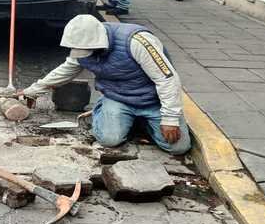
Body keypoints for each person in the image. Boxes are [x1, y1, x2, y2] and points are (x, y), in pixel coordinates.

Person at [21, 15, 190, 155]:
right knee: (109, 140)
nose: (85, 56)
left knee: (178, 148)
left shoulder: (137, 41)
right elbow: (66, 70)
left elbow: (167, 79)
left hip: (153, 101)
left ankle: (141, 123)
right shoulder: (83, 44)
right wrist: (34, 90)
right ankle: (113, 115)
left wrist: (170, 118)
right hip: (118, 98)